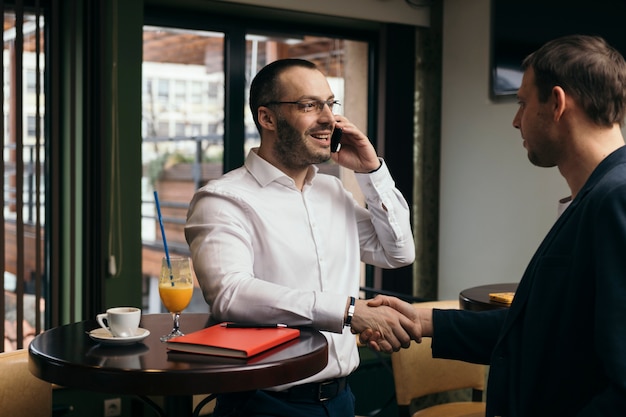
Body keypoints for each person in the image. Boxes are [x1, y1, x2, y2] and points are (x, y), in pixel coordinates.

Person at [367, 34, 626, 416]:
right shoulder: (597, 195)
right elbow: (539, 328)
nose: (516, 120)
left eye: (522, 103)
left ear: (556, 103)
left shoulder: (615, 198)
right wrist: (420, 320)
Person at [185, 58, 419, 417]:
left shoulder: (334, 192)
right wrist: (347, 312)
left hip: (342, 400)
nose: (329, 118)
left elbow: (398, 251)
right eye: (309, 105)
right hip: (265, 404)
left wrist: (373, 171)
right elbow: (231, 293)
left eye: (330, 104)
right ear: (267, 118)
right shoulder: (222, 198)